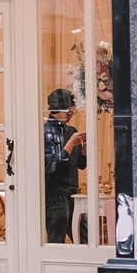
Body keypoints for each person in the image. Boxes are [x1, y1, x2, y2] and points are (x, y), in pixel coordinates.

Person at [44, 88, 87, 243]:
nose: (71, 115)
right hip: (55, 195)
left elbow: (81, 164)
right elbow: (51, 166)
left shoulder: (71, 131)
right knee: (57, 241)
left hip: (73, 194)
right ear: (57, 109)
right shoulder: (45, 132)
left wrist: (85, 148)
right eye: (69, 111)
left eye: (72, 112)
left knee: (86, 239)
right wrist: (70, 144)